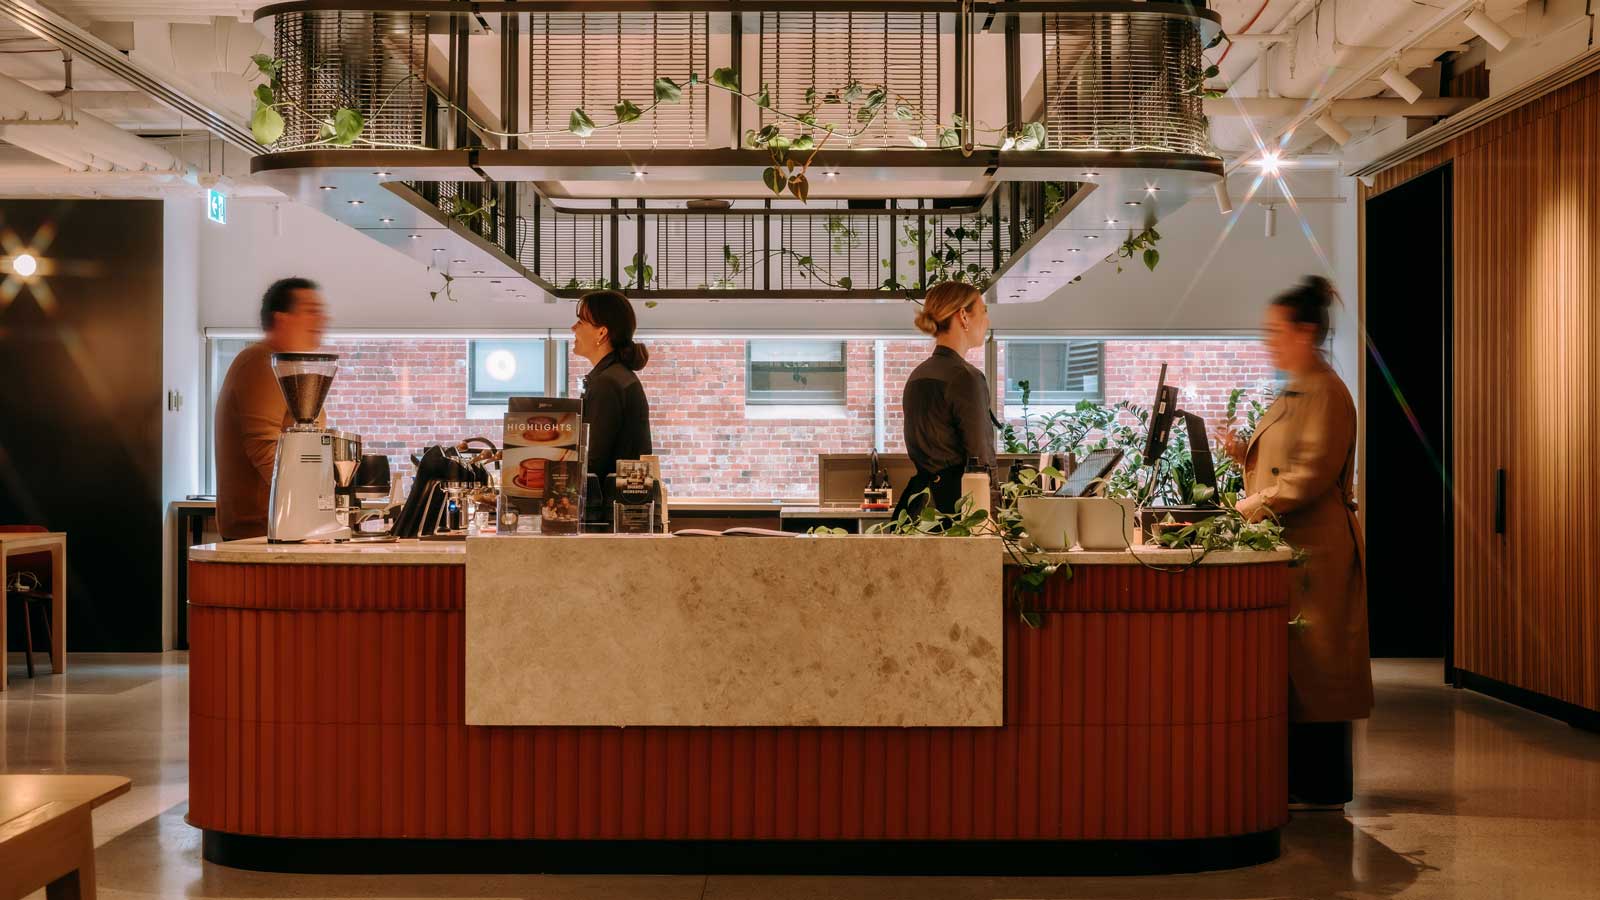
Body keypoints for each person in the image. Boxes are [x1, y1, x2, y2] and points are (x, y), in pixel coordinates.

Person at [1221, 274, 1371, 809]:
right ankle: (1301, 782)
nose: (1270, 342)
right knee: (1302, 668)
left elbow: (1308, 477)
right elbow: (1286, 462)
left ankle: (1322, 786)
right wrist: (1244, 454)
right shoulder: (1298, 387)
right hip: (1295, 547)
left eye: (1276, 331)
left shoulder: (1325, 391)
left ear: (1305, 333)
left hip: (1317, 551)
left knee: (1321, 670)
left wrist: (1247, 506)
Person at [215, 277, 329, 540]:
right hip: (262, 534)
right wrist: (312, 507)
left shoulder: (283, 367)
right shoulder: (261, 363)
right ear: (282, 319)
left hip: (280, 530)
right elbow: (267, 450)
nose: (322, 320)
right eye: (311, 311)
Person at [895, 281, 997, 517]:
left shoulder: (918, 375)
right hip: (956, 511)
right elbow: (980, 461)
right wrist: (992, 516)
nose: (987, 321)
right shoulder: (965, 377)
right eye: (983, 311)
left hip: (916, 506)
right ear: (963, 316)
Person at [571, 290, 653, 518]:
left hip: (607, 516)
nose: (573, 328)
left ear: (602, 332)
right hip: (624, 512)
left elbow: (593, 460)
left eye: (580, 322)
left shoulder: (607, 382)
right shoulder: (617, 377)